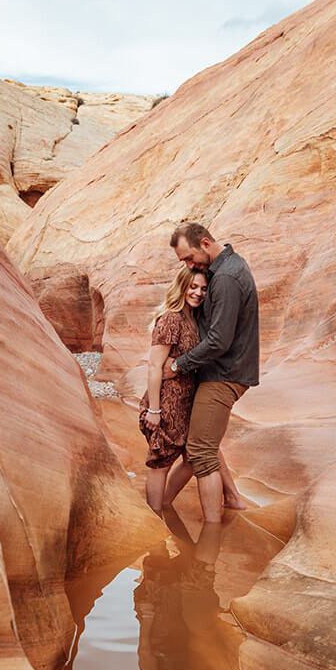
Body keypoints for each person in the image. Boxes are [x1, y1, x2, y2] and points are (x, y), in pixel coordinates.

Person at [168, 221, 260, 522]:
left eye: (188, 257)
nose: (188, 264)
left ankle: (210, 532)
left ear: (205, 243)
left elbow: (219, 340)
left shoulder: (226, 279)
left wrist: (178, 364)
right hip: (222, 371)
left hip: (224, 374)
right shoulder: (226, 268)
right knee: (206, 441)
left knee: (200, 452)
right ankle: (232, 498)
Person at [139, 267, 243, 512]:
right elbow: (154, 365)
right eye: (193, 287)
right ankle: (156, 517)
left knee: (192, 457)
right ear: (181, 286)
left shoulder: (193, 320)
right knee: (160, 461)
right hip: (166, 402)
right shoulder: (171, 318)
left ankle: (164, 505)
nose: (197, 293)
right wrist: (154, 410)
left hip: (186, 402)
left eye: (203, 289)